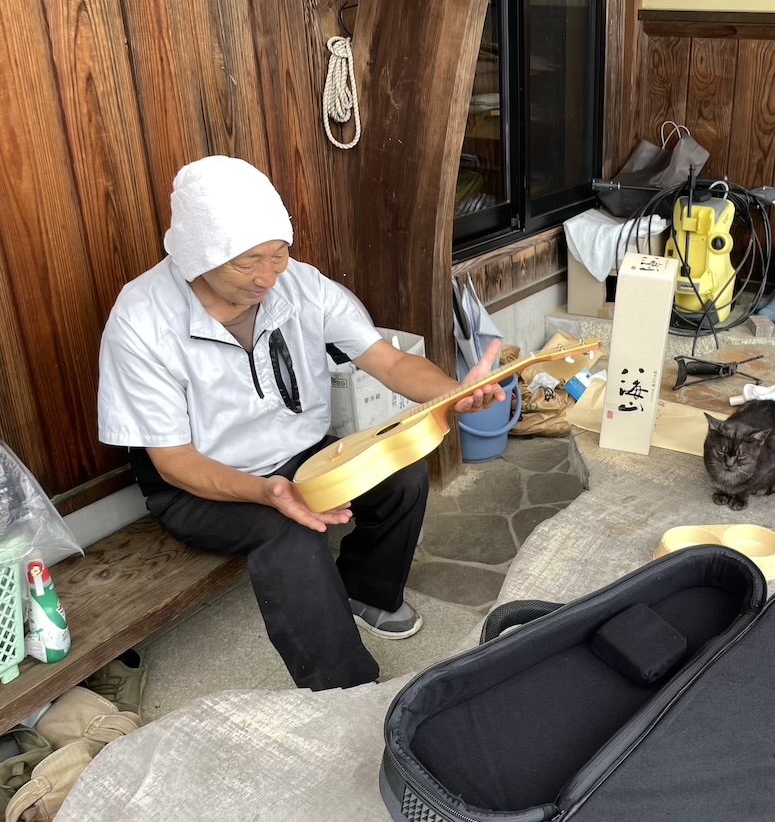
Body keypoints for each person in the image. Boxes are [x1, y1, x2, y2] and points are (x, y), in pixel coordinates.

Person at [97, 155, 505, 691]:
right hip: (202, 483)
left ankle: (366, 591)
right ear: (198, 255)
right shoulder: (143, 318)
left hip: (300, 451)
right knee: (288, 532)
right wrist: (265, 492)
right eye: (248, 262)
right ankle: (344, 691)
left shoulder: (301, 285)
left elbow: (388, 361)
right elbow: (174, 462)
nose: (269, 277)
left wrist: (456, 393)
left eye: (279, 254)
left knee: (400, 470)